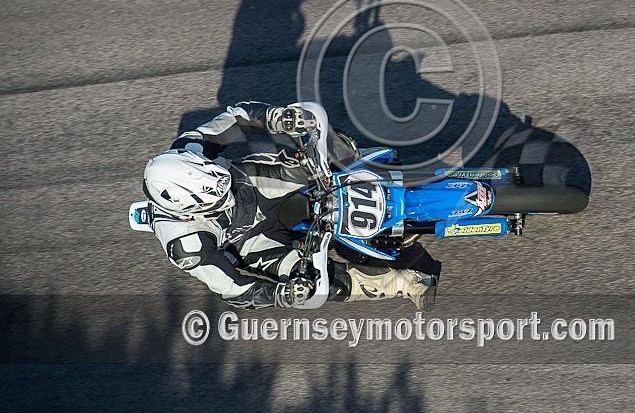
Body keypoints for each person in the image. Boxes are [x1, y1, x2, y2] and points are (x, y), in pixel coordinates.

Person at [141, 101, 437, 310]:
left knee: (318, 146)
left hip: (253, 183)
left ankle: (357, 164)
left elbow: (238, 117)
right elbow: (234, 290)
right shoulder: (186, 246)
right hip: (250, 242)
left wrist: (277, 118)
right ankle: (405, 283)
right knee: (316, 287)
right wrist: (281, 294)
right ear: (188, 211)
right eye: (218, 197)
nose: (223, 192)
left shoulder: (189, 149)